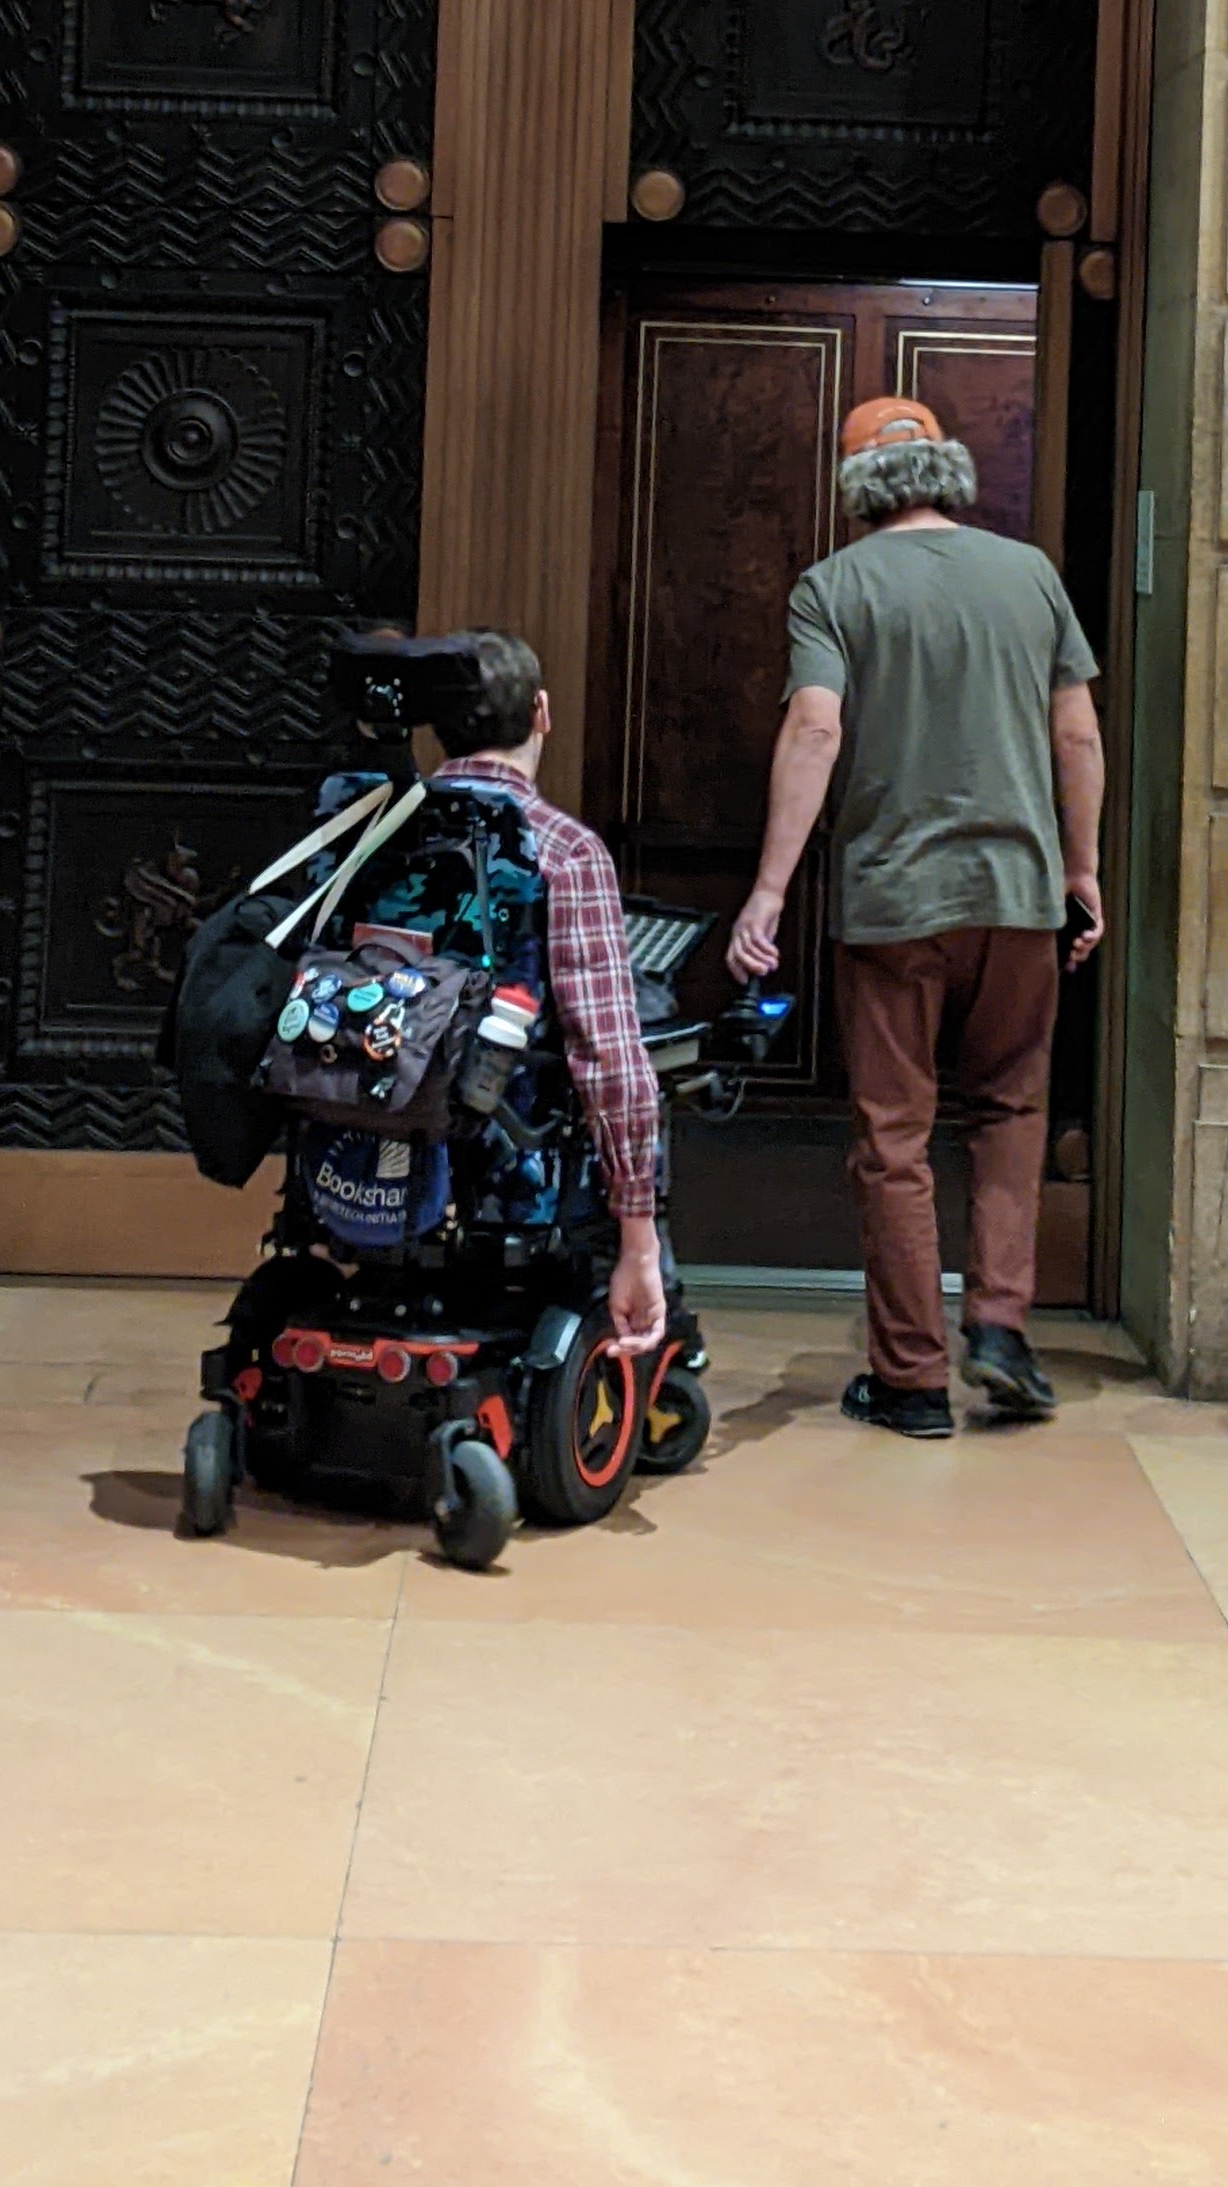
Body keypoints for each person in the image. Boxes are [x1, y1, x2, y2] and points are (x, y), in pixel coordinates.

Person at [730, 398, 1103, 1437]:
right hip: (1020, 894)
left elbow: (815, 725)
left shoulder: (835, 587)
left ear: (856, 489)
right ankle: (1000, 1329)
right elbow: (1076, 734)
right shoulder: (1029, 574)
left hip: (895, 903)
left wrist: (767, 889)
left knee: (895, 1137)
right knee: (1010, 1111)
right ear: (947, 471)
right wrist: (1083, 868)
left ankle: (911, 1379)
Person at [426, 632, 671, 1356]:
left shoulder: (377, 829)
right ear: (542, 713)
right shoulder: (563, 850)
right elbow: (608, 1062)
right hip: (509, 1163)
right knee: (649, 1075)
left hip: (377, 1135)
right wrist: (640, 1243)